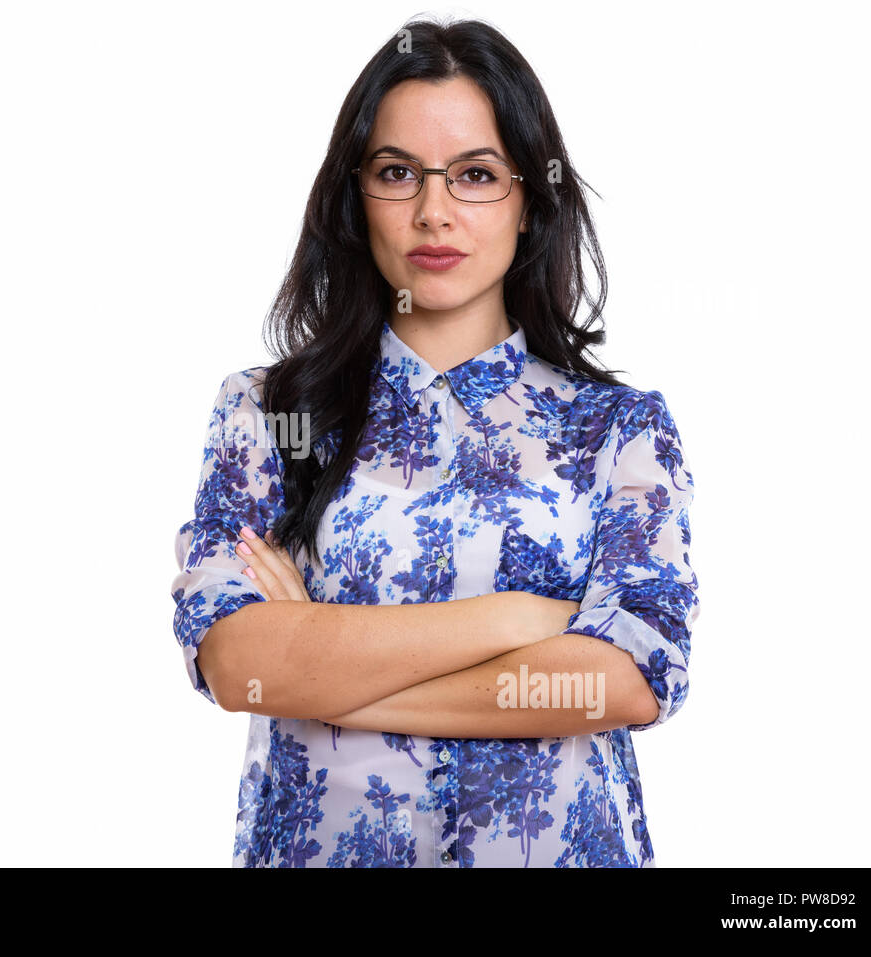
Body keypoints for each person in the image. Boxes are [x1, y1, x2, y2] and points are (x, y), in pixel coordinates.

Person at [170, 17, 698, 868]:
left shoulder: (617, 429)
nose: (433, 211)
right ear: (356, 196)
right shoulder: (272, 416)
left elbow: (629, 678)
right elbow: (239, 664)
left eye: (477, 175)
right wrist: (520, 619)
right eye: (396, 172)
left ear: (530, 201)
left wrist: (329, 664)